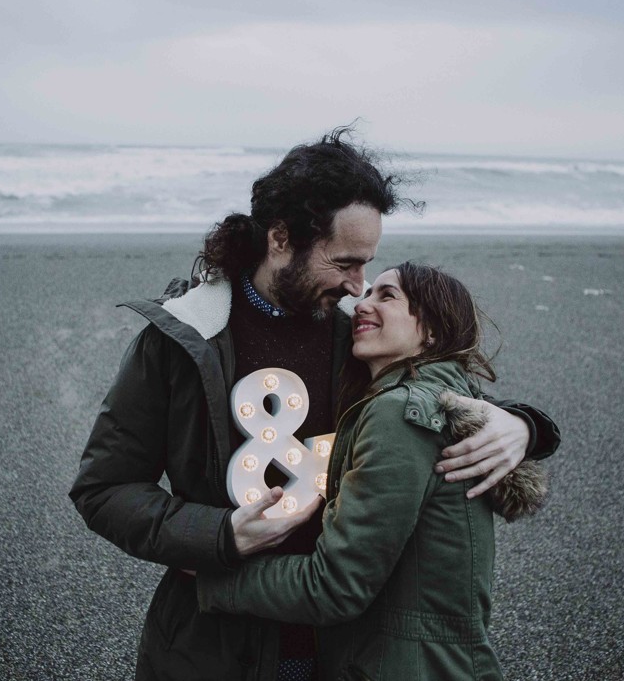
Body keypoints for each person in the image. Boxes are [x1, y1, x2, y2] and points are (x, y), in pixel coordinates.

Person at [69, 128, 559, 681]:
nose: (359, 286)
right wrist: (218, 535)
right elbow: (103, 488)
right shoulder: (185, 339)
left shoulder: (360, 339)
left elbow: (437, 401)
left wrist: (523, 425)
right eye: (345, 262)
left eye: (367, 265)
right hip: (210, 643)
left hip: (341, 647)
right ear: (281, 239)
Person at [197, 262, 545, 680]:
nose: (363, 304)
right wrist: (531, 425)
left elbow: (334, 588)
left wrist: (213, 580)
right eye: (367, 293)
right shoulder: (448, 401)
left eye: (387, 295)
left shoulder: (399, 414)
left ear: (432, 331)